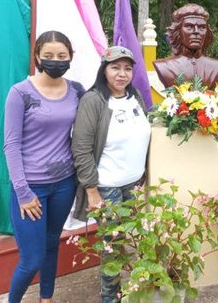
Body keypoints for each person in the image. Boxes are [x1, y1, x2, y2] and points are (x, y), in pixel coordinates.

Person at [3, 31, 85, 303]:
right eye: (48, 55)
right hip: (30, 189)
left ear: (71, 57)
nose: (55, 61)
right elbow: (11, 145)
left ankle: (46, 298)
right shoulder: (20, 93)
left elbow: (94, 121)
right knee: (32, 258)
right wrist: (23, 192)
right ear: (37, 56)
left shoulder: (76, 90)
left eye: (62, 56)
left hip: (64, 184)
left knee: (52, 245)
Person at [71, 46, 151, 303]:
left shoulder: (135, 96)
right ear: (104, 69)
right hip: (107, 188)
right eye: (115, 67)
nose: (122, 74)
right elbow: (81, 149)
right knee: (113, 248)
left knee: (131, 241)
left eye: (127, 68)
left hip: (133, 185)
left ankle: (129, 291)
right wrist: (91, 190)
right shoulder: (93, 100)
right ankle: (110, 298)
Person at [152, 3, 218, 88]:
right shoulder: (164, 66)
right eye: (189, 26)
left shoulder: (217, 67)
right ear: (178, 31)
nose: (196, 31)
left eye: (202, 27)